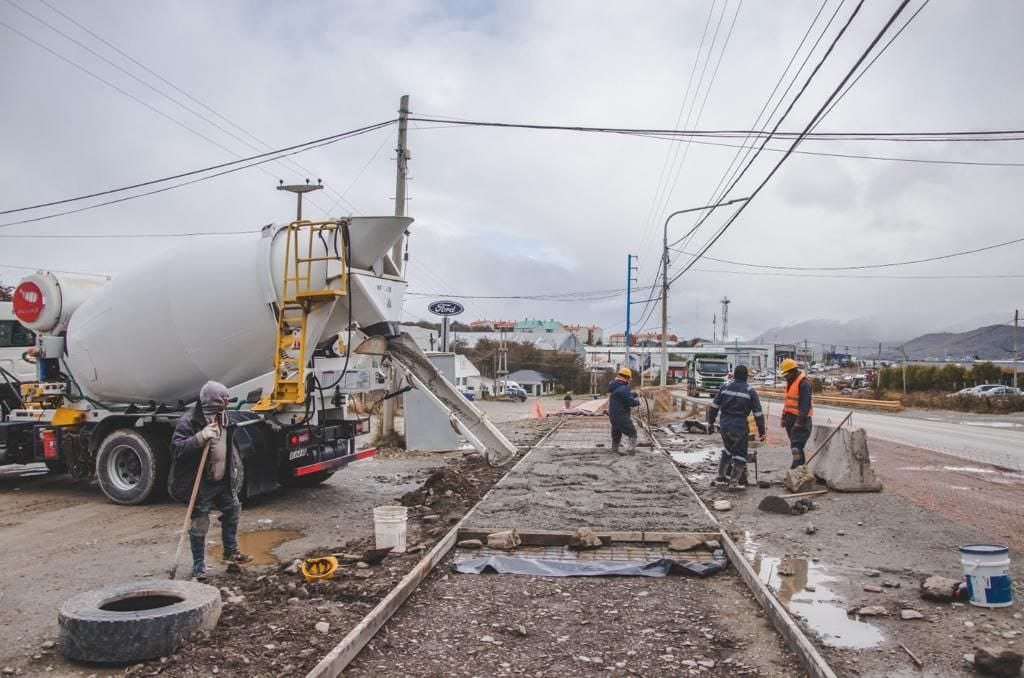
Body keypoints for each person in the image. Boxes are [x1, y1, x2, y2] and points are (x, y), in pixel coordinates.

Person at [170, 381, 253, 580]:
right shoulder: (190, 421)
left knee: (233, 509)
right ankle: (199, 566)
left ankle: (230, 552)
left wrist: (232, 467)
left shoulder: (224, 418)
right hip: (201, 482)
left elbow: (229, 445)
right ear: (216, 401)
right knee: (200, 521)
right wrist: (200, 437)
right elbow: (176, 449)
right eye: (225, 399)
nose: (228, 402)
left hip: (222, 479)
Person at [707, 365, 765, 490]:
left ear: (734, 375)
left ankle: (721, 478)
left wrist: (711, 423)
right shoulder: (750, 391)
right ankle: (734, 483)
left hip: (724, 423)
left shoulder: (725, 387)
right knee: (740, 454)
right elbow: (758, 414)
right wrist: (762, 431)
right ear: (746, 377)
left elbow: (714, 407)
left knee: (728, 450)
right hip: (739, 425)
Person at [779, 358, 814, 469]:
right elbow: (788, 402)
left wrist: (799, 421)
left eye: (786, 374)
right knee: (795, 444)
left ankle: (796, 467)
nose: (785, 377)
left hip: (801, 419)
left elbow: (805, 405)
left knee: (796, 445)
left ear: (793, 371)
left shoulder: (804, 383)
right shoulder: (790, 382)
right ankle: (801, 468)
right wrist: (783, 417)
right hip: (790, 417)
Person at [607, 367, 640, 454]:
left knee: (616, 434)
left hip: (613, 415)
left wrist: (634, 394)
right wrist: (638, 401)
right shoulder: (623, 388)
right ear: (626, 377)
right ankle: (630, 451)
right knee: (632, 433)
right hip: (621, 415)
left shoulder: (616, 386)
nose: (629, 381)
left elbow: (623, 396)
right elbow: (630, 401)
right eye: (629, 379)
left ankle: (614, 450)